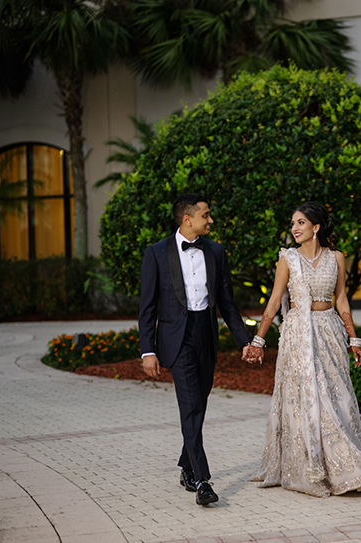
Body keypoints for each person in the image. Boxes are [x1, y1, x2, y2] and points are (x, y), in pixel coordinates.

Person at [247, 202, 361, 497]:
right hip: (298, 334)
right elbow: (274, 302)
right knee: (310, 399)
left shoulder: (336, 257)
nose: (295, 229)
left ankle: (342, 467)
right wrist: (258, 340)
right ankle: (319, 469)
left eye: (300, 223)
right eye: (293, 224)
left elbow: (342, 300)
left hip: (329, 332)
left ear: (316, 227)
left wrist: (353, 338)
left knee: (338, 399)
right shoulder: (288, 259)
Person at [139, 193, 253, 506]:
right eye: (206, 215)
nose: (211, 220)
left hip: (206, 332)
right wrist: (147, 350)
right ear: (187, 219)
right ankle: (202, 480)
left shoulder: (215, 251)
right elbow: (148, 307)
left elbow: (227, 302)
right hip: (176, 338)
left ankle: (186, 464)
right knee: (190, 406)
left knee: (198, 403)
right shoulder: (157, 253)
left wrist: (244, 340)